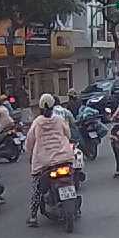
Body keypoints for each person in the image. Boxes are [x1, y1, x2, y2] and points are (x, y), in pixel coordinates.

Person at [23, 93, 74, 227]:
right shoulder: (59, 119)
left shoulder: (37, 122)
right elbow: (68, 134)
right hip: (64, 157)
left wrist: (29, 153)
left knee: (37, 188)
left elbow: (29, 143)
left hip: (44, 163)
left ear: (40, 108)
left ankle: (33, 217)